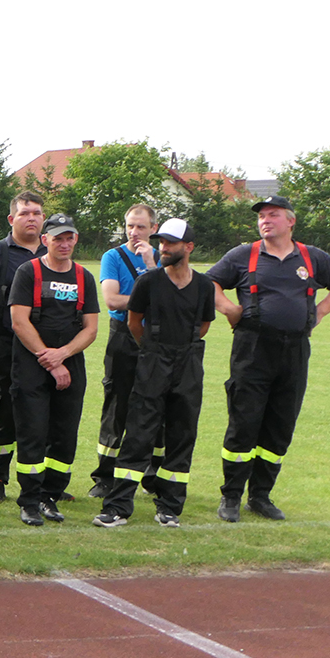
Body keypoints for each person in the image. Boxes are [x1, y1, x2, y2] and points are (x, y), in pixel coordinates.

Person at [205, 195, 330, 522]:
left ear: (291, 221)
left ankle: (260, 496)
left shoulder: (311, 257)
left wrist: (321, 310)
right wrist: (229, 308)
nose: (265, 221)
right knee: (244, 423)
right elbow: (209, 283)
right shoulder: (243, 255)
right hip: (253, 349)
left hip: (295, 351)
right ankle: (231, 496)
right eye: (261, 216)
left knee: (280, 426)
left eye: (273, 215)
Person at [93, 218, 214, 528]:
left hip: (187, 362)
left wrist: (182, 348)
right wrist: (152, 350)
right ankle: (118, 506)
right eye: (161, 241)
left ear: (188, 247)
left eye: (171, 243)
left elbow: (203, 326)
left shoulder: (203, 285)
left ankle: (170, 506)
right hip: (152, 360)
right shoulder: (149, 282)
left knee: (181, 433)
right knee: (138, 431)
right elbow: (135, 322)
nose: (164, 247)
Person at [8, 213, 99, 526]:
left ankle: (51, 495)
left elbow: (90, 328)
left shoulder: (84, 276)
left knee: (64, 435)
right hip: (32, 363)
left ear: (75, 239)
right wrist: (47, 358)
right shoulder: (27, 272)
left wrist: (63, 355)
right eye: (57, 237)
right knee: (32, 432)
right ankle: (29, 500)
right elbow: (19, 321)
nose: (64, 243)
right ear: (44, 240)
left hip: (69, 362)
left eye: (69, 237)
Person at [0, 192, 47, 503]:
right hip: (5, 345)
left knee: (43, 415)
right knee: (2, 412)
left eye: (37, 213)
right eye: (25, 212)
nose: (31, 218)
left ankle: (42, 483)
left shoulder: (54, 251)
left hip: (45, 349)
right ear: (11, 219)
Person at [90, 203, 160, 499]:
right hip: (122, 337)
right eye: (130, 226)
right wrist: (148, 298)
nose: (134, 232)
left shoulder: (161, 257)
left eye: (141, 227)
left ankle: (153, 475)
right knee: (117, 405)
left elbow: (174, 296)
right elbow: (112, 300)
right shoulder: (112, 257)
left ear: (153, 229)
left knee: (155, 405)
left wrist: (152, 265)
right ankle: (105, 476)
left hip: (156, 339)